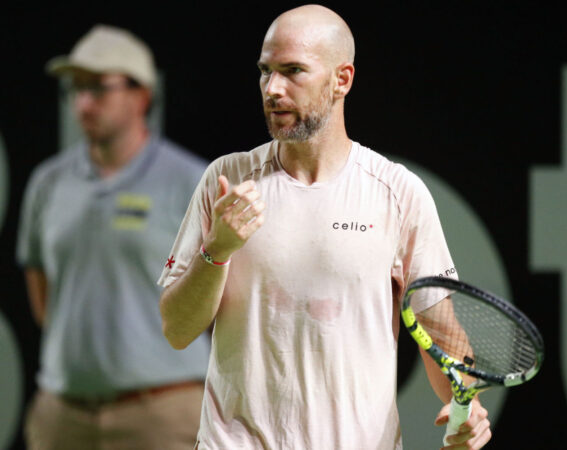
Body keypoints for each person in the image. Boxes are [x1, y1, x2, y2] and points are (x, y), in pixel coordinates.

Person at [158, 5, 492, 450]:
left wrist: (466, 408)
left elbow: (447, 346)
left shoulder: (397, 192)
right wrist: (217, 249)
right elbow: (177, 330)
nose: (272, 89)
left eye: (293, 71)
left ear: (342, 80)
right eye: (265, 71)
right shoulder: (227, 179)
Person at [16, 24, 211, 450]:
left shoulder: (192, 182)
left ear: (141, 94)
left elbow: (216, 295)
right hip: (62, 414)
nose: (83, 103)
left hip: (162, 414)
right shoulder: (47, 182)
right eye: (76, 89)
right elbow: (42, 293)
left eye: (99, 88)